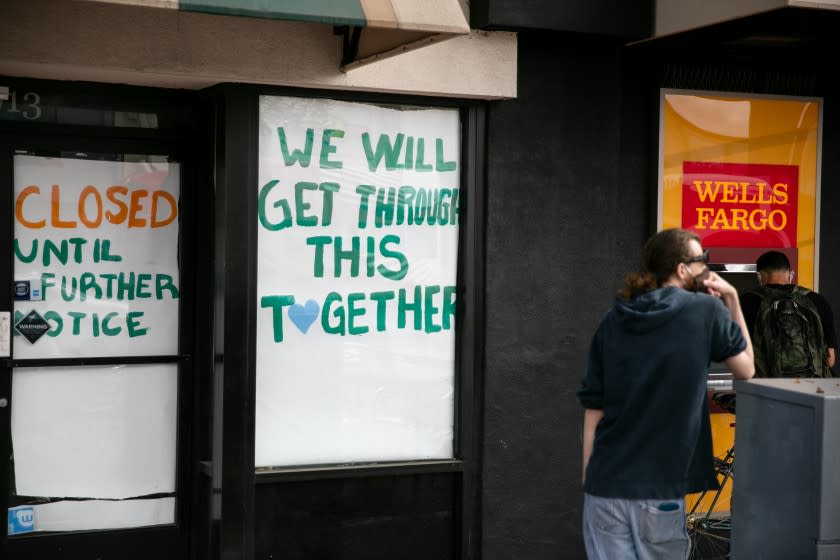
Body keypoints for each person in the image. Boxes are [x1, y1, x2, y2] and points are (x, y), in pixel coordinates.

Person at [577, 228, 754, 560]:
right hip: (658, 488)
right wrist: (732, 300)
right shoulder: (705, 311)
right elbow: (747, 369)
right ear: (682, 269)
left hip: (604, 485)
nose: (707, 267)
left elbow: (593, 406)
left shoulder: (613, 319)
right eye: (703, 260)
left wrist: (589, 476)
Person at [740, 250, 836, 377]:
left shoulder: (747, 301)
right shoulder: (817, 301)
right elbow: (830, 360)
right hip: (812, 388)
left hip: (766, 389)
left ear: (760, 275)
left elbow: (738, 356)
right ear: (789, 273)